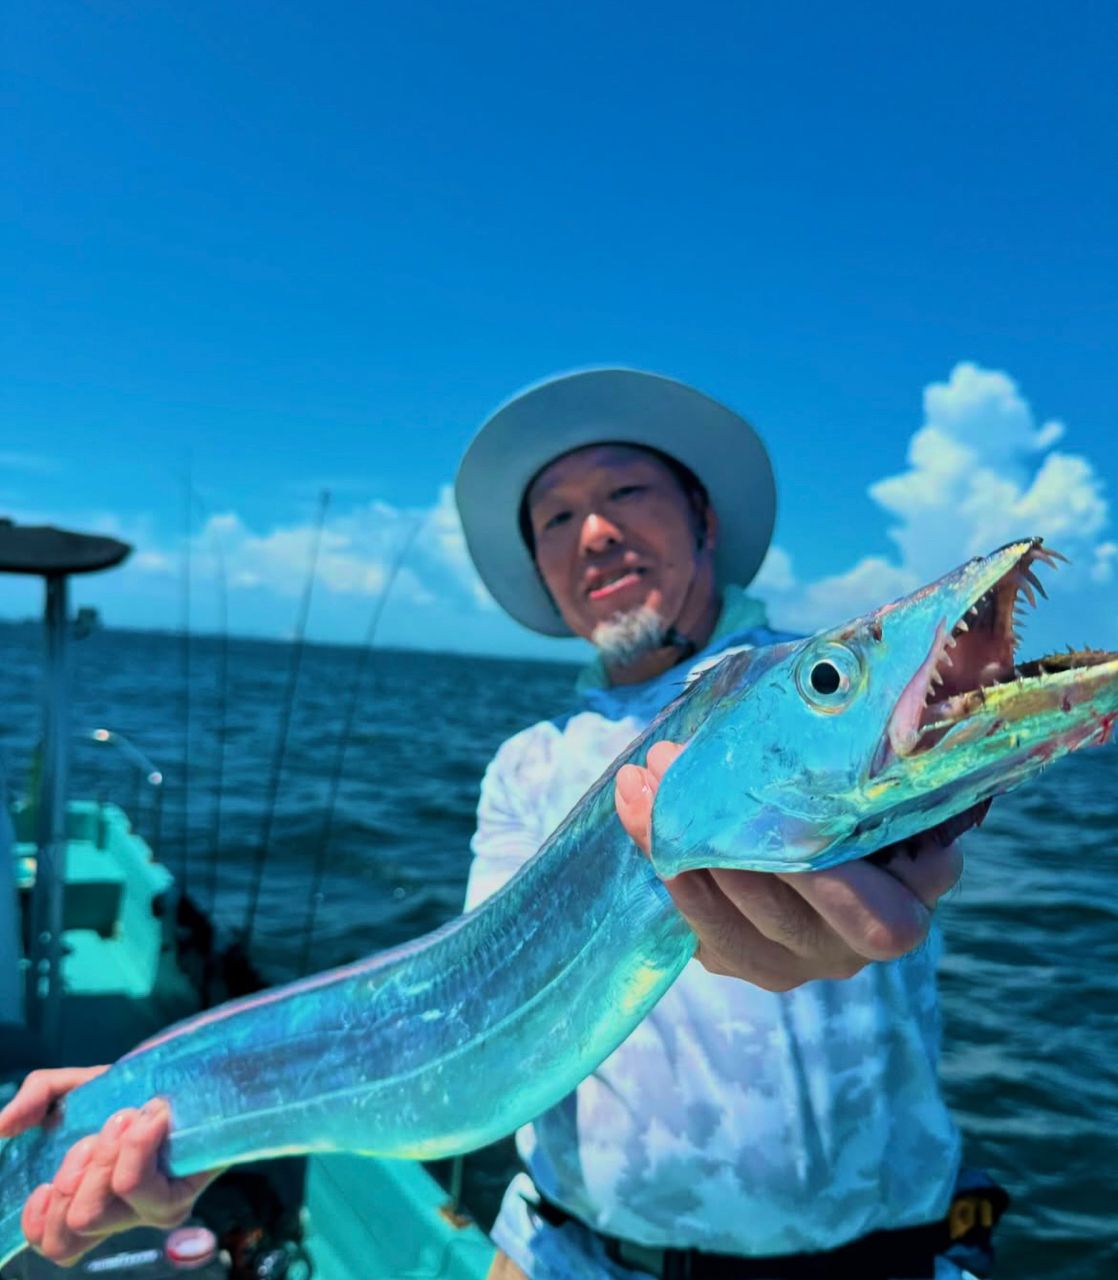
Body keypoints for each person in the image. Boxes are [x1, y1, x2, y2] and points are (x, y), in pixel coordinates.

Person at [0, 369, 981, 1276]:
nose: (591, 531)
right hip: (569, 1253)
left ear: (703, 516)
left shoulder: (826, 681)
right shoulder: (528, 763)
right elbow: (447, 1020)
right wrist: (154, 1098)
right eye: (554, 516)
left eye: (625, 492)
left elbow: (946, 744)